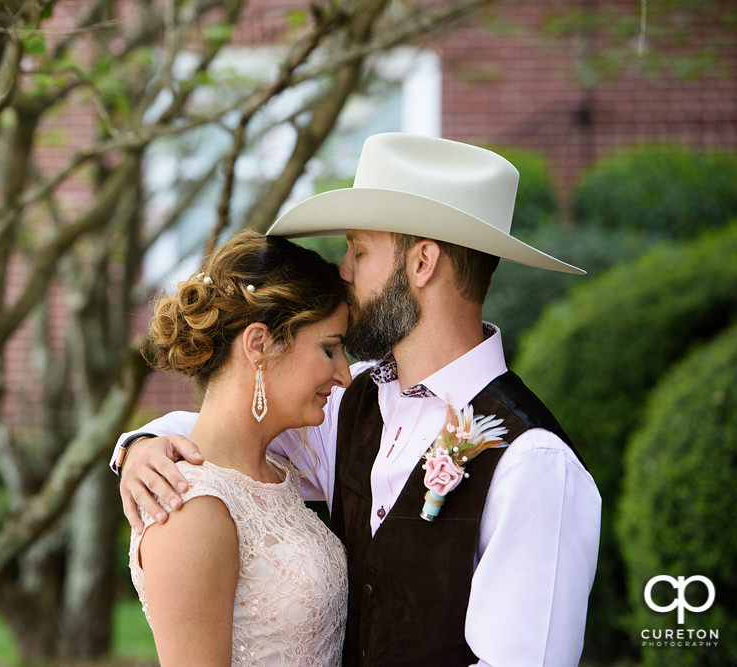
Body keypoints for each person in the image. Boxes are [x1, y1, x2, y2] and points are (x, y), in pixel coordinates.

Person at [113, 133, 602, 666]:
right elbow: (236, 432)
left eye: (360, 250)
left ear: (422, 264)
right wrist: (142, 446)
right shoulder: (349, 406)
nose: (343, 270)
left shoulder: (533, 464)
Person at [125, 230, 352, 666]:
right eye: (329, 349)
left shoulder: (281, 469)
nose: (343, 374)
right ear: (258, 344)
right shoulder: (189, 506)